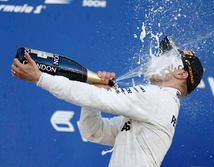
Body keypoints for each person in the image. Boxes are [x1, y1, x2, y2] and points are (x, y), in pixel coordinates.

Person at [11, 36, 203, 167]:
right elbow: (93, 132)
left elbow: (94, 98)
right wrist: (96, 91)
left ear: (181, 73)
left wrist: (40, 78)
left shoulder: (158, 98)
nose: (157, 58)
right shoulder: (160, 104)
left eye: (166, 57)